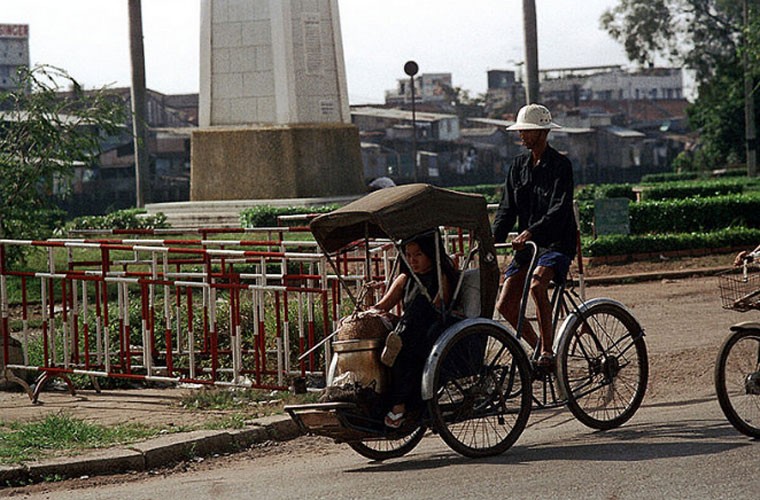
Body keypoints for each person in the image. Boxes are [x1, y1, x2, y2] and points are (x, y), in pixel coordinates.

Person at [492, 103, 577, 368]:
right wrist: (490, 240)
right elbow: (507, 209)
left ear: (542, 132)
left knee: (537, 287)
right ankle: (538, 345)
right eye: (521, 131)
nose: (522, 136)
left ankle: (549, 353)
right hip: (528, 247)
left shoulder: (561, 165)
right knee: (505, 304)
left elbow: (559, 208)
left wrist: (532, 230)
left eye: (527, 131)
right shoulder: (518, 166)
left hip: (556, 242)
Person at [370, 231, 458, 428]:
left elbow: (437, 309)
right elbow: (382, 306)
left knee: (408, 340)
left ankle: (400, 404)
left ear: (430, 253)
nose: (413, 260)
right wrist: (369, 314)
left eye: (418, 255)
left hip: (432, 327)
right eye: (408, 255)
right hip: (405, 327)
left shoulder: (441, 276)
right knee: (386, 340)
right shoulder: (404, 278)